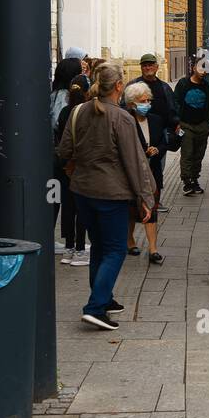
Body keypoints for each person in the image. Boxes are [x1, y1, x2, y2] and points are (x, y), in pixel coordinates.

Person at [57, 63, 155, 331]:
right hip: (111, 194)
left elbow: (64, 150)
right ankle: (95, 307)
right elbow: (135, 162)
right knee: (115, 250)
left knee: (99, 246)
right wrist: (145, 197)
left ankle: (105, 298)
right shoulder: (121, 118)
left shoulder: (77, 112)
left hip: (82, 191)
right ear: (119, 86)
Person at [128, 54, 178, 213]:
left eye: (151, 65)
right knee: (139, 166)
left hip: (160, 132)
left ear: (156, 67)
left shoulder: (165, 87)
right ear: (141, 67)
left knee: (158, 165)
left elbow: (173, 108)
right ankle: (138, 199)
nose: (148, 68)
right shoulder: (133, 86)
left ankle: (155, 199)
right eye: (145, 65)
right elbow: (124, 108)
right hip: (139, 130)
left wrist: (175, 125)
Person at [123, 82, 166, 264]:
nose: (146, 104)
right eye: (142, 101)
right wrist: (142, 150)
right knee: (132, 209)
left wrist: (158, 150)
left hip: (152, 172)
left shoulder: (155, 120)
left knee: (152, 207)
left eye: (148, 100)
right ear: (132, 103)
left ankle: (153, 248)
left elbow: (165, 142)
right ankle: (130, 240)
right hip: (132, 174)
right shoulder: (126, 121)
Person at [53, 76, 90, 266]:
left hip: (65, 165)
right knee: (81, 208)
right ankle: (80, 249)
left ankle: (68, 248)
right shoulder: (86, 112)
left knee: (68, 208)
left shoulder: (65, 111)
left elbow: (61, 137)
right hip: (81, 165)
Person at [175, 61, 209, 196]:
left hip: (202, 126)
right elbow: (176, 103)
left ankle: (194, 179)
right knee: (187, 154)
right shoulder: (183, 84)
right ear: (193, 68)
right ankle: (187, 182)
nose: (203, 71)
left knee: (199, 154)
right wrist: (177, 122)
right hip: (186, 125)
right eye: (200, 68)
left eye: (205, 69)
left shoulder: (208, 87)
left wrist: (207, 124)